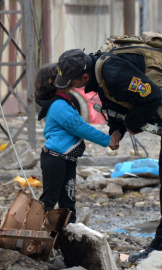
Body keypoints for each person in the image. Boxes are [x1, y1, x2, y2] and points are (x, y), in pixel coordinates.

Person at [53, 34, 162, 261]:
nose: (71, 88)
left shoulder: (111, 72)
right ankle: (160, 245)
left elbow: (151, 95)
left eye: (72, 83)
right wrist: (116, 130)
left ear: (84, 76)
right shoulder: (99, 73)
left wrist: (131, 124)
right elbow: (114, 101)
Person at [35, 62, 118, 224]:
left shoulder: (64, 102)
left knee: (68, 201)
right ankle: (34, 231)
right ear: (53, 82)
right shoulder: (58, 105)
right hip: (55, 160)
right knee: (49, 200)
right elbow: (79, 127)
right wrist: (107, 140)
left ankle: (68, 234)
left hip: (66, 159)